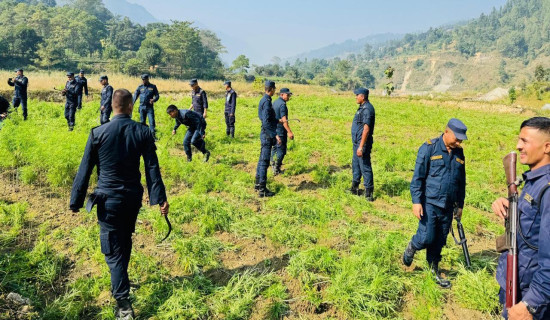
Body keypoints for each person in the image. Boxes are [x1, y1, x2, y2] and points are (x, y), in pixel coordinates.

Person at [69, 89, 169, 320]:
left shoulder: (98, 133)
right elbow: (152, 168)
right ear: (131, 106)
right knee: (124, 240)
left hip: (108, 200)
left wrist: (75, 201)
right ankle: (122, 278)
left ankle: (123, 303)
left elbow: (85, 169)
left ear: (112, 107)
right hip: (132, 198)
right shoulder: (142, 131)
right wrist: (160, 198)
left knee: (113, 248)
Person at [492, 117, 550, 320]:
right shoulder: (533, 180)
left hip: (532, 296)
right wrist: (508, 207)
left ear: (547, 147)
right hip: (515, 280)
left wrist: (530, 305)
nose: (518, 146)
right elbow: (530, 229)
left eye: (525, 141)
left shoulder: (547, 188)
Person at [402, 118, 467, 288]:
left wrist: (460, 205)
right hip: (429, 203)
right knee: (427, 237)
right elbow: (417, 178)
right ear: (446, 132)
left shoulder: (459, 153)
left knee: (439, 241)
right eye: (457, 138)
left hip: (448, 205)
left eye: (461, 139)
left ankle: (433, 270)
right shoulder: (429, 148)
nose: (459, 142)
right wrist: (416, 202)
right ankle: (412, 246)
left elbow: (461, 182)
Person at [254, 80, 281, 197]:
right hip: (266, 135)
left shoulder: (264, 100)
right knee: (265, 162)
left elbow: (267, 118)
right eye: (274, 89)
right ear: (271, 89)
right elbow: (265, 122)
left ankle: (257, 184)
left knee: (262, 160)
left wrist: (277, 120)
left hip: (265, 133)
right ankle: (262, 190)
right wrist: (274, 134)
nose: (275, 91)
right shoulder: (267, 102)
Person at [350, 88, 376, 201]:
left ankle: (369, 193)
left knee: (365, 166)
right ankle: (354, 188)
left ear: (363, 96)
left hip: (362, 144)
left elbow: (366, 129)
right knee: (356, 165)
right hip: (357, 143)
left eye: (357, 95)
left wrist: (361, 146)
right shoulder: (362, 108)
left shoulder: (368, 109)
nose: (356, 97)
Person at [271, 88, 295, 175]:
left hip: (274, 129)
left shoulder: (275, 102)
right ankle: (276, 168)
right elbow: (284, 121)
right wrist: (289, 132)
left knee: (275, 147)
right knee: (281, 150)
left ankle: (273, 164)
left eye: (289, 95)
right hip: (280, 130)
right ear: (282, 95)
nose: (289, 97)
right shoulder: (282, 105)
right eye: (287, 95)